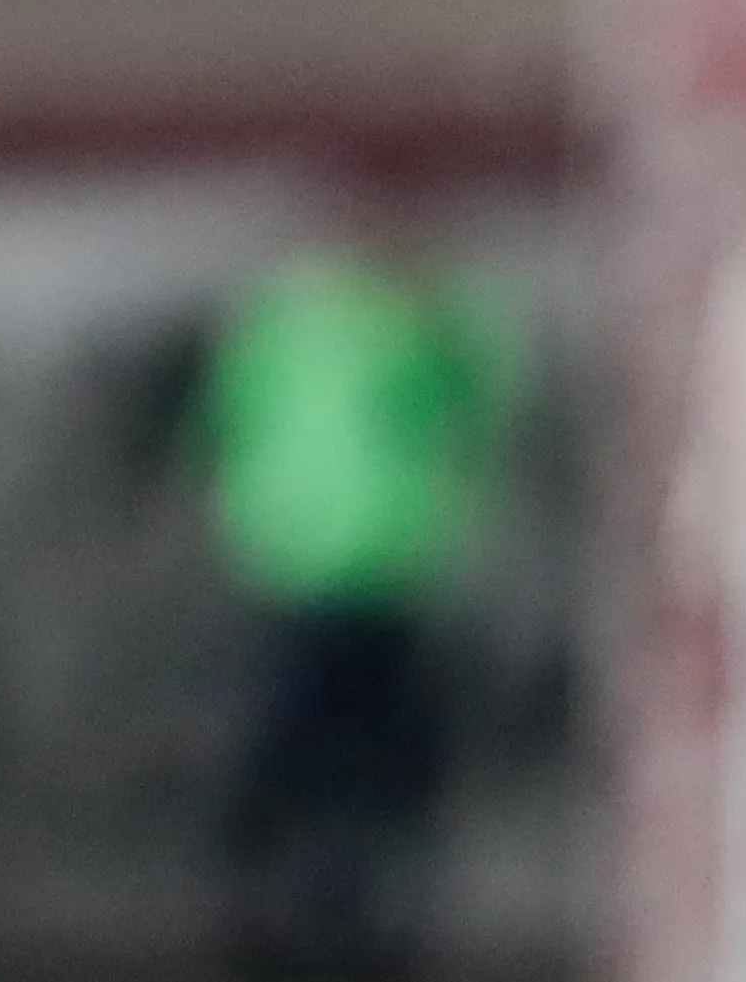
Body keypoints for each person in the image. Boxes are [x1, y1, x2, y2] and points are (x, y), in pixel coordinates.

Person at [198, 235, 525, 977]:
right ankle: (300, 898)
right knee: (340, 747)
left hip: (345, 565)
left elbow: (227, 429)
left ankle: (319, 898)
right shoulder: (384, 330)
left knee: (339, 747)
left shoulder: (311, 326)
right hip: (341, 566)